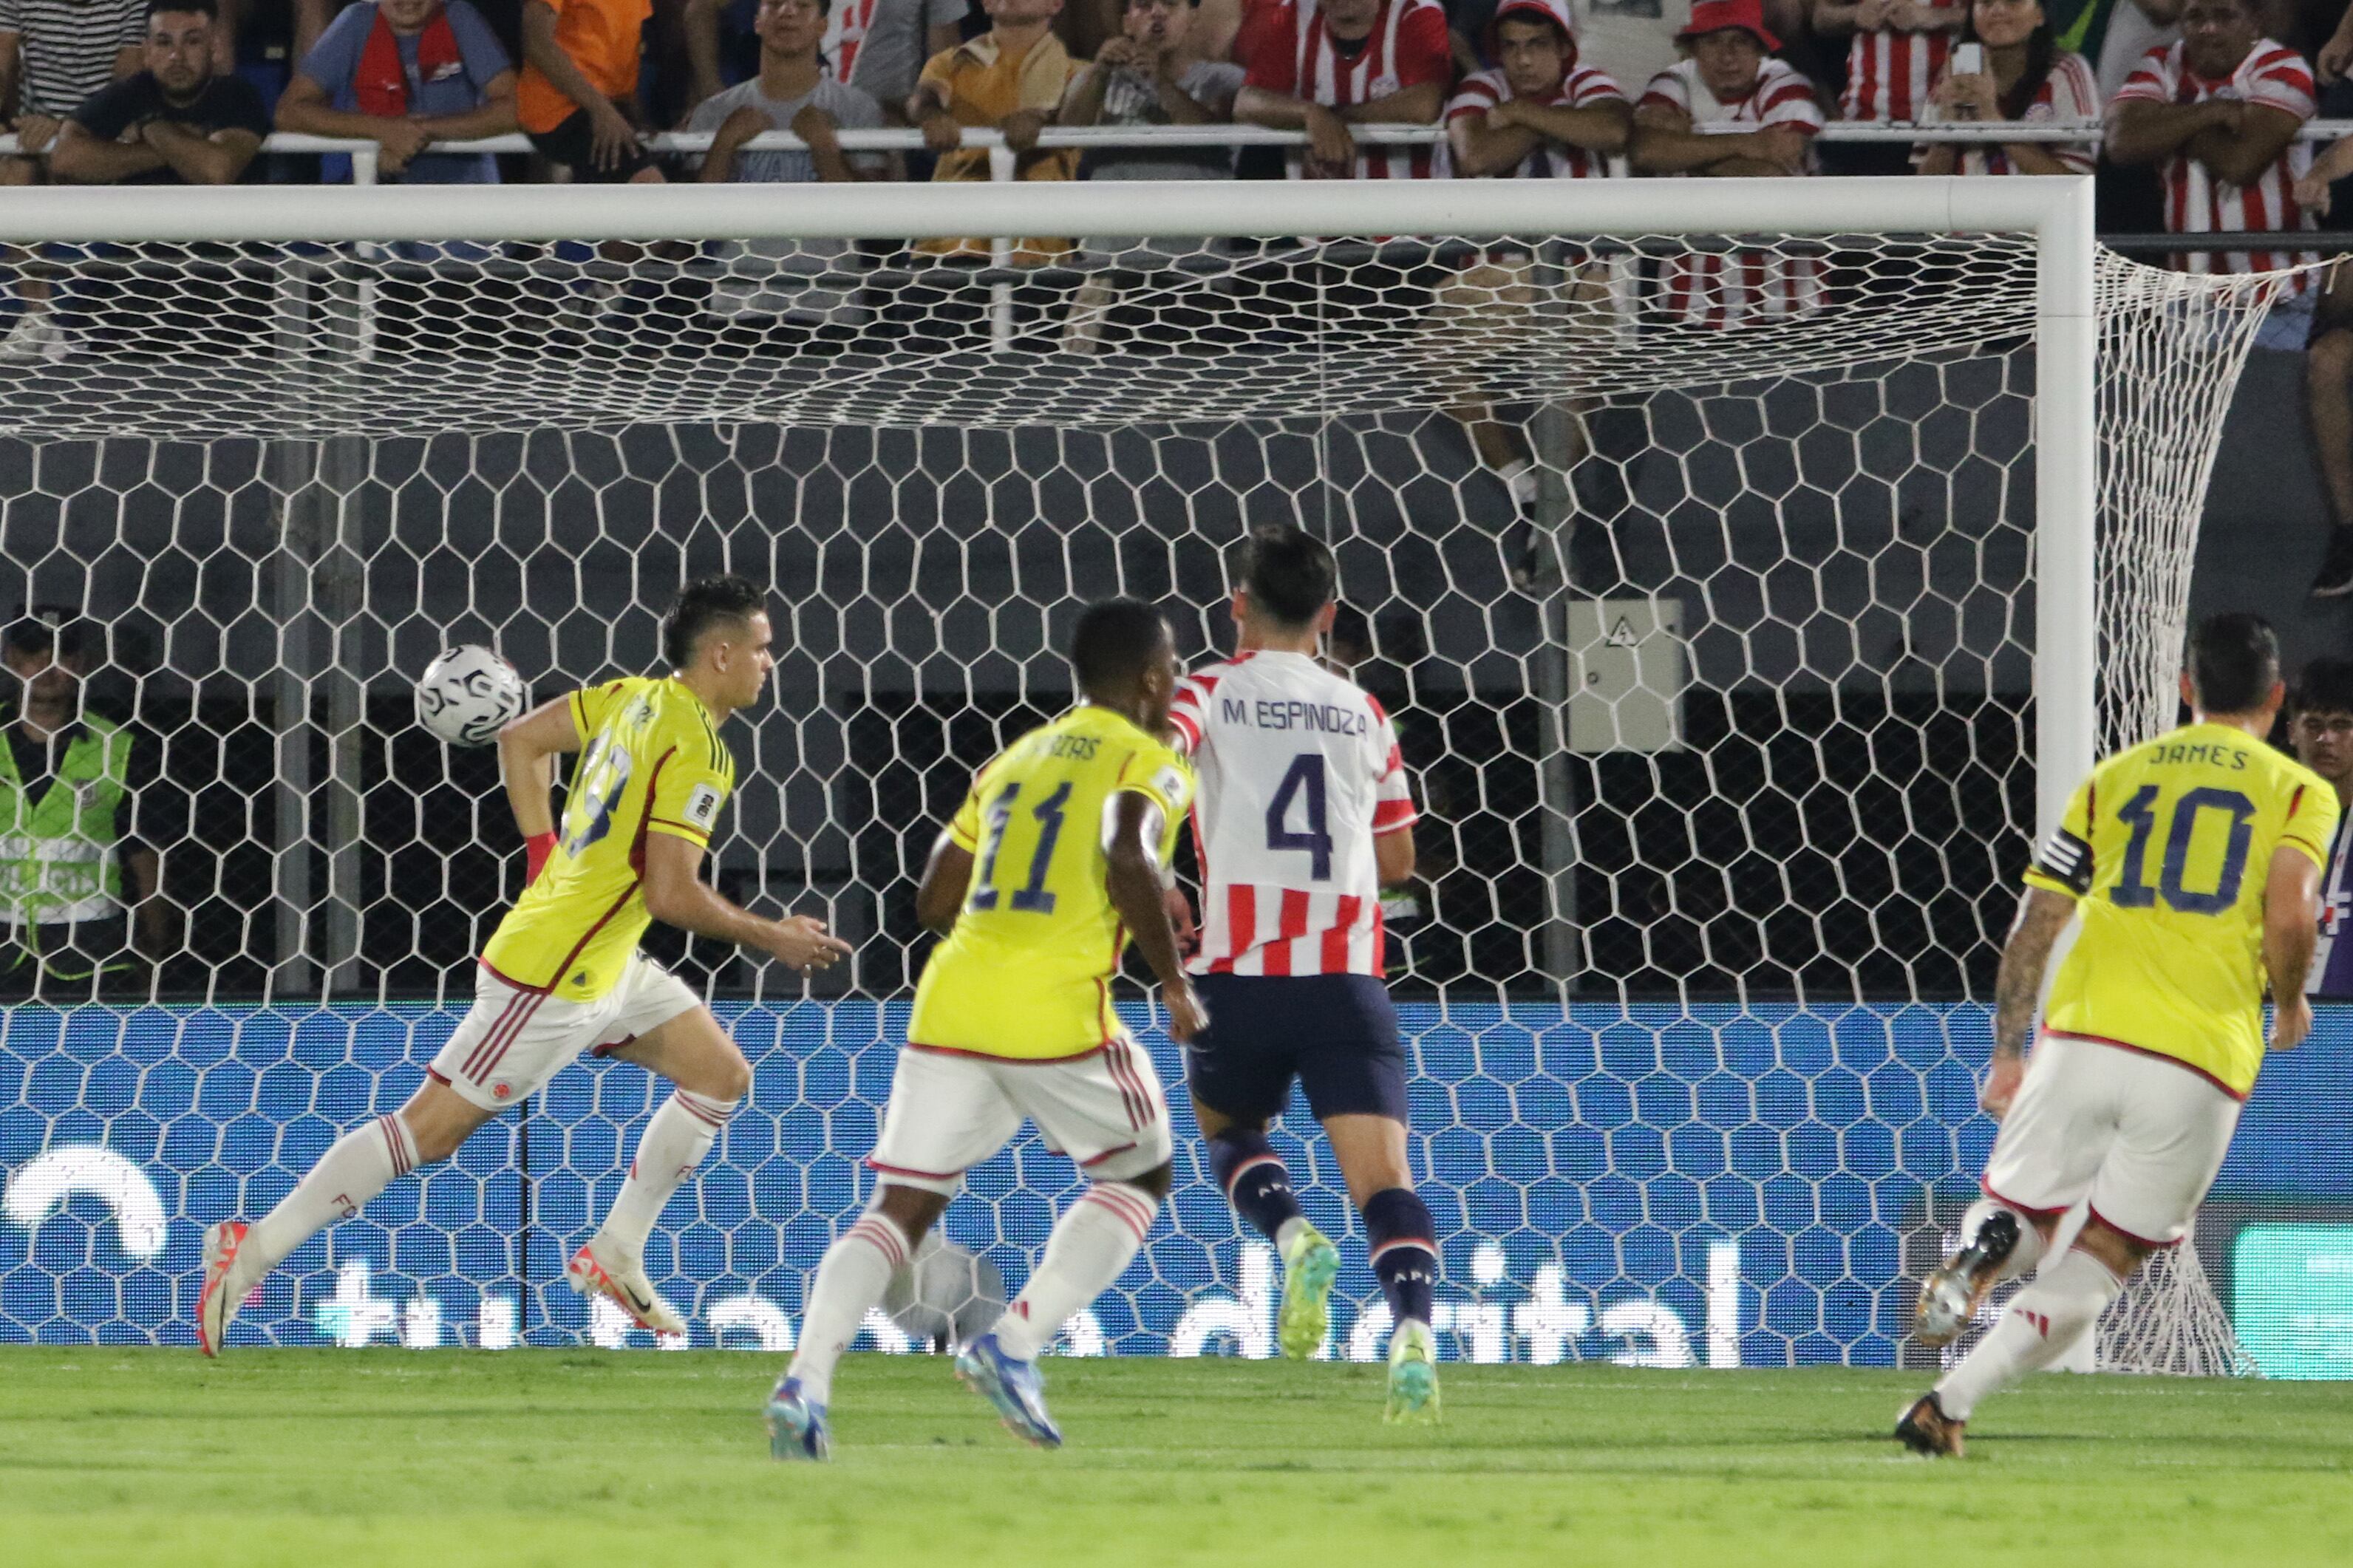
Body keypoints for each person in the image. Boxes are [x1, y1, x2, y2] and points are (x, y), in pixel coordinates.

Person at [197, 576, 854, 1356]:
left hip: (605, 957)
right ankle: (253, 1249)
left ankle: (615, 1252)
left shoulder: (632, 697)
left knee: (719, 1074)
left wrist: (545, 852)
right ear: (720, 654)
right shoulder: (700, 752)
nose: (769, 663)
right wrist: (772, 935)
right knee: (429, 1132)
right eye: (762, 648)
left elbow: (520, 738)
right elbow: (671, 893)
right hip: (553, 974)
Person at [764, 598, 1199, 1460]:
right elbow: (1125, 845)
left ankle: (804, 1385)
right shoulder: (1152, 760)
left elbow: (933, 899)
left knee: (899, 1210)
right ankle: (1013, 1343)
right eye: (1175, 665)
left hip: (953, 999)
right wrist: (1174, 982)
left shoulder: (1015, 758)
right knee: (1139, 1172)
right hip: (1054, 1009)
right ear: (1153, 680)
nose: (1180, 678)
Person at [1897, 612, 2335, 1456]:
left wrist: (2008, 1052)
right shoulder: (2298, 791)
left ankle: (1984, 1246)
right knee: (2104, 1254)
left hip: (2083, 1034)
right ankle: (1948, 1403)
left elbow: (2036, 922)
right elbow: (2291, 911)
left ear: (2185, 687)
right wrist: (2287, 1003)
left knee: (2022, 1212)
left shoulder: (2114, 778)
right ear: (2277, 700)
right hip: (2197, 1056)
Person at [1160, 525, 1438, 1423]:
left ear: (1236, 605)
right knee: (1386, 1184)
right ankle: (1413, 1331)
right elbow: (1398, 861)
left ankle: (1289, 1234)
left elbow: (1148, 784)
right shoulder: (1364, 711)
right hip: (1343, 979)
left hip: (1237, 975)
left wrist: (1159, 875)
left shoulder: (1205, 691)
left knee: (1229, 1129)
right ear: (1328, 614)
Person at [1434, 0, 1629, 586]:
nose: (1522, 60)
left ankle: (1550, 502)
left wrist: (1521, 114)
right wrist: (1554, 120)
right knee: (1431, 349)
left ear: (1563, 48)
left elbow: (1613, 128)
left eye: (1537, 45)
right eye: (1512, 47)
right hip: (1500, 275)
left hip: (1580, 271)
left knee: (1583, 353)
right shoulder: (1479, 87)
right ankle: (1530, 491)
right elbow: (1477, 154)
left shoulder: (1589, 82)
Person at [689, 0, 896, 328]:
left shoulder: (857, 108)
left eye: (802, 5)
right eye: (774, 4)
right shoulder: (715, 112)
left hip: (831, 310)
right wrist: (726, 141)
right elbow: (692, 226)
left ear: (823, 26)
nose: (787, 12)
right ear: (757, 21)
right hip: (738, 308)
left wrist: (824, 145)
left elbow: (870, 222)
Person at [0, 610, 171, 999]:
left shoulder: (119, 749)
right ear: (11, 658)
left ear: (81, 664)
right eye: (34, 652)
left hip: (93, 957)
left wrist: (152, 954)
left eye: (61, 654)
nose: (47, 667)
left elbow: (148, 860)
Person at [2104, 0, 2315, 312]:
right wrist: (2212, 111)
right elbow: (2121, 143)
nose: (2209, 28)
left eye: (2225, 16)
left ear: (2254, 23)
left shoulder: (2282, 66)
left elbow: (2240, 163)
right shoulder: (2161, 63)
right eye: (2195, 17)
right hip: (2188, 294)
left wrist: (2168, 127)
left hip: (2278, 292)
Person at [1630, 0, 1826, 327]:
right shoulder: (1674, 81)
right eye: (1713, 41)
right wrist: (1747, 144)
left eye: (1741, 41)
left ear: (1760, 48)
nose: (1728, 55)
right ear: (1693, 48)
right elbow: (1646, 151)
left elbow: (1771, 174)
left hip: (1781, 299)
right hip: (1691, 301)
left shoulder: (1784, 82)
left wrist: (1686, 150)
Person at [1057, 0, 1242, 327]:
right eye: (1144, 6)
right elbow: (1066, 134)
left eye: (1170, 4)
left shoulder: (1224, 79)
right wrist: (1098, 72)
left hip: (1195, 274)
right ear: (1126, 22)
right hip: (1107, 272)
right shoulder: (1096, 80)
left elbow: (1213, 133)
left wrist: (1161, 83)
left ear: (1193, 18)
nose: (1157, 13)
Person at [0, 0, 141, 360]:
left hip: (102, 134)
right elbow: (2, 66)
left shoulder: (132, 4)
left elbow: (126, 88)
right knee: (14, 174)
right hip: (33, 139)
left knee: (74, 163)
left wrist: (66, 128)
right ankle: (39, 317)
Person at [275, 0, 519, 184]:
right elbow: (289, 112)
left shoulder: (460, 16)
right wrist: (383, 129)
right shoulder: (356, 20)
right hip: (378, 210)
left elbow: (516, 109)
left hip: (470, 209)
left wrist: (418, 132)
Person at [48, 0, 266, 186]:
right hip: (138, 223)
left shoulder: (237, 95)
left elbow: (215, 172)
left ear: (214, 48)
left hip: (214, 224)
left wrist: (151, 128)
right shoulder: (131, 92)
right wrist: (178, 147)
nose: (176, 56)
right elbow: (64, 161)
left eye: (192, 41)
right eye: (164, 42)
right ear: (147, 52)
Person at [1233, 0, 1454, 180]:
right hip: (1317, 211)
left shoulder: (1416, 12)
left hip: (1407, 210)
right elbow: (1246, 103)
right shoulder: (1295, 13)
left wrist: (1333, 118)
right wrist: (1310, 113)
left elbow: (1425, 104)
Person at [1913, 0, 2100, 175]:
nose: (1998, 10)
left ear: (2040, 14)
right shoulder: (1957, 70)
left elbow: (2076, 181)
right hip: (1965, 199)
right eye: (1986, 2)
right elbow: (1924, 186)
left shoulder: (2067, 71)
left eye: (2012, 1)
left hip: (2034, 200)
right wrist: (1948, 131)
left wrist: (1993, 121)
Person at [516, 0, 665, 181]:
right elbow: (537, 44)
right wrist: (602, 111)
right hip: (559, 111)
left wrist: (633, 111)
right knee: (647, 180)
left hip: (608, 109)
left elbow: (623, 44)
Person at [1812, 0, 1965, 174]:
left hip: (1938, 125)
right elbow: (1821, 18)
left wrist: (1934, 16)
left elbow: (1983, 13)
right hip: (1864, 126)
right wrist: (1856, 14)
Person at [2287, 655, 2353, 998]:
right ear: (2291, 732)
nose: (2326, 738)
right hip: (2271, 1015)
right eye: (2313, 724)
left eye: (2342, 725)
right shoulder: (2267, 825)